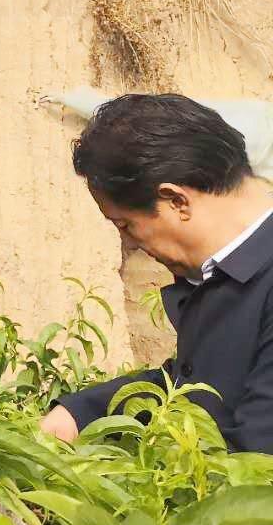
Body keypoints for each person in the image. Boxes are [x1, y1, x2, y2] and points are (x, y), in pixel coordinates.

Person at [41, 94, 273, 453]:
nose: (130, 244)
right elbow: (195, 386)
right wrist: (80, 413)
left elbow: (256, 462)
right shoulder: (222, 272)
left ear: (176, 200)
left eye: (126, 225)